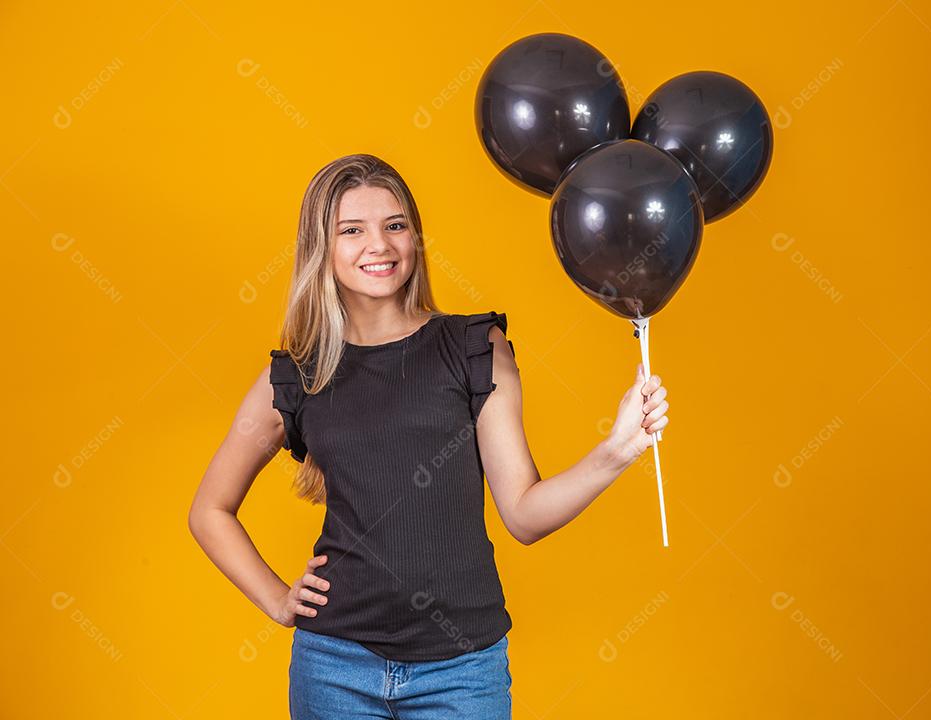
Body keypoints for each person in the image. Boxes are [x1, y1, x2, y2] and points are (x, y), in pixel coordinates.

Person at [187, 154, 670, 719]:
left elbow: (524, 515)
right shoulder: (299, 375)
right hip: (333, 666)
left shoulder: (473, 348)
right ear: (320, 246)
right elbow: (209, 510)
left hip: (463, 672)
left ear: (414, 236)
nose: (380, 246)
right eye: (352, 230)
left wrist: (616, 451)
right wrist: (277, 600)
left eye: (395, 225)